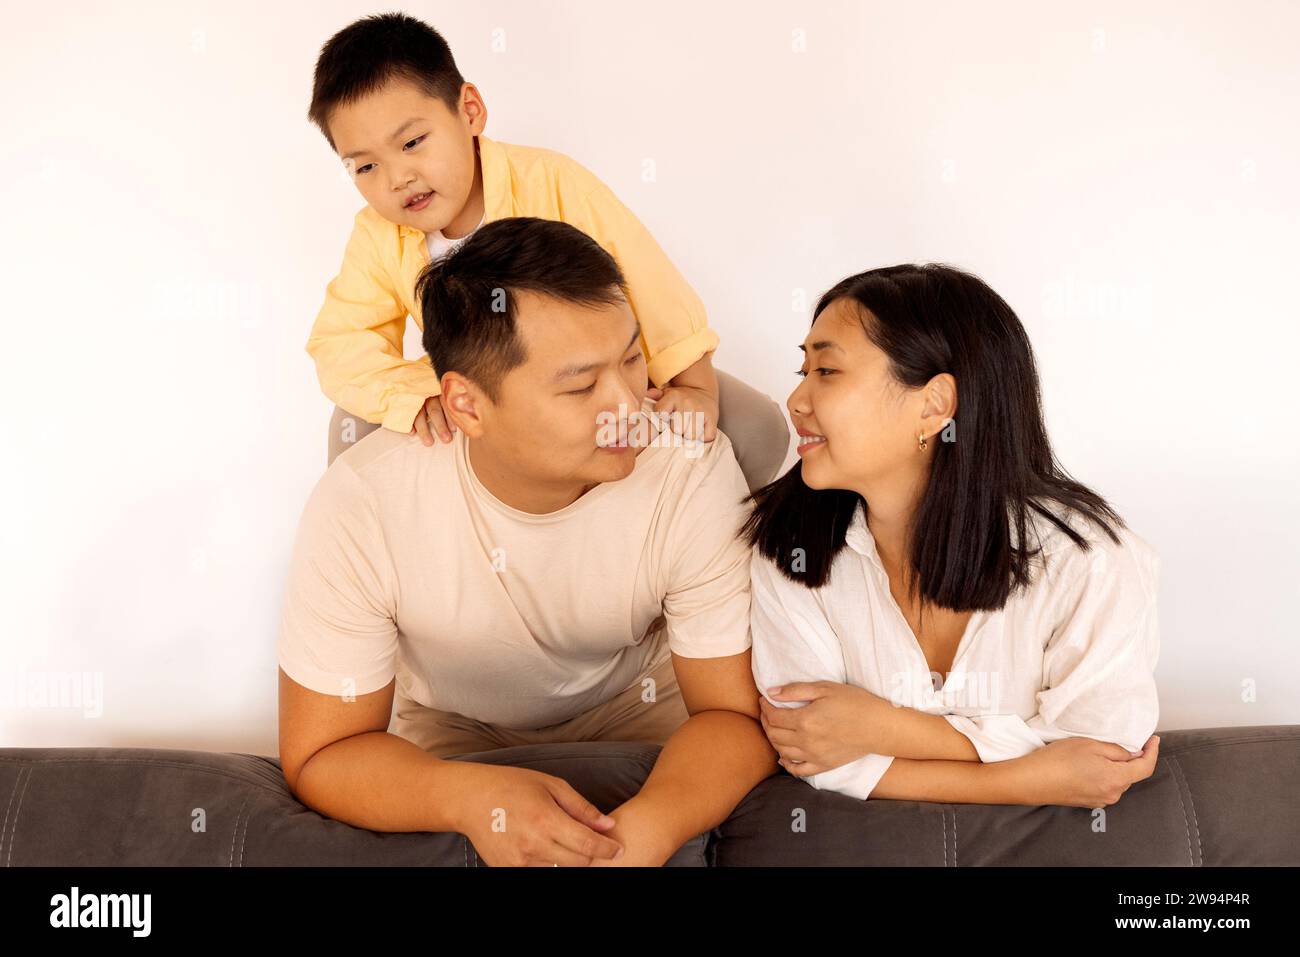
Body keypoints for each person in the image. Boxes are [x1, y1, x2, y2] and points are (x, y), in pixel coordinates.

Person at [277, 217, 780, 866]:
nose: (630, 405)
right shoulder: (364, 502)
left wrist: (644, 834)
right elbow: (323, 751)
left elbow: (733, 719)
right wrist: (470, 798)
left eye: (632, 359)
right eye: (580, 385)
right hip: (453, 738)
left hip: (643, 716)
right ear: (467, 405)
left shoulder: (688, 466)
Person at [304, 12, 788, 488]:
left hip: (588, 377)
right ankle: (391, 542)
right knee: (351, 422)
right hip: (488, 393)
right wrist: (411, 395)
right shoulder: (376, 234)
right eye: (365, 168)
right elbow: (341, 342)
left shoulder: (552, 180)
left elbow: (646, 278)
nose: (397, 178)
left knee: (757, 426)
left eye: (412, 142)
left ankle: (669, 529)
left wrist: (695, 385)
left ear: (469, 110)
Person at [742, 263, 1162, 808]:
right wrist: (1036, 774)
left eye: (826, 371)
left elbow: (1103, 752)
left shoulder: (1089, 560)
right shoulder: (789, 547)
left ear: (935, 405)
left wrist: (883, 729)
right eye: (803, 371)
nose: (797, 401)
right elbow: (808, 749)